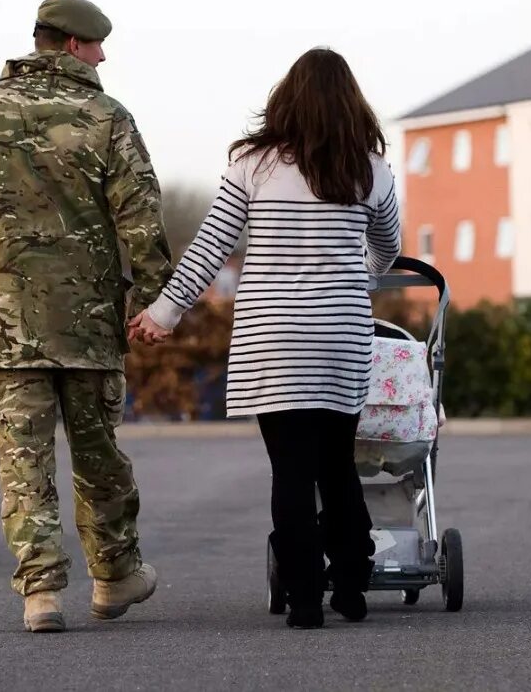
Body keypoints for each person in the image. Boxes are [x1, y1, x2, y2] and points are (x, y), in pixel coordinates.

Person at [0, 0, 173, 633]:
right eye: (96, 44)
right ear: (69, 45)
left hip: (3, 327)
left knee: (22, 464)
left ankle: (41, 596)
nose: (104, 55)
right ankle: (114, 579)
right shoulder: (108, 116)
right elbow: (140, 215)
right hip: (87, 323)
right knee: (98, 455)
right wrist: (152, 298)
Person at [131, 48, 401, 629]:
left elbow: (210, 247)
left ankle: (305, 601)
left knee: (291, 473)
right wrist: (363, 266)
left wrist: (164, 312)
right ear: (353, 103)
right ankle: (352, 585)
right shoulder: (370, 169)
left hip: (273, 342)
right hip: (339, 338)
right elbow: (389, 246)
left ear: (286, 98)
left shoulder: (252, 165)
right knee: (337, 467)